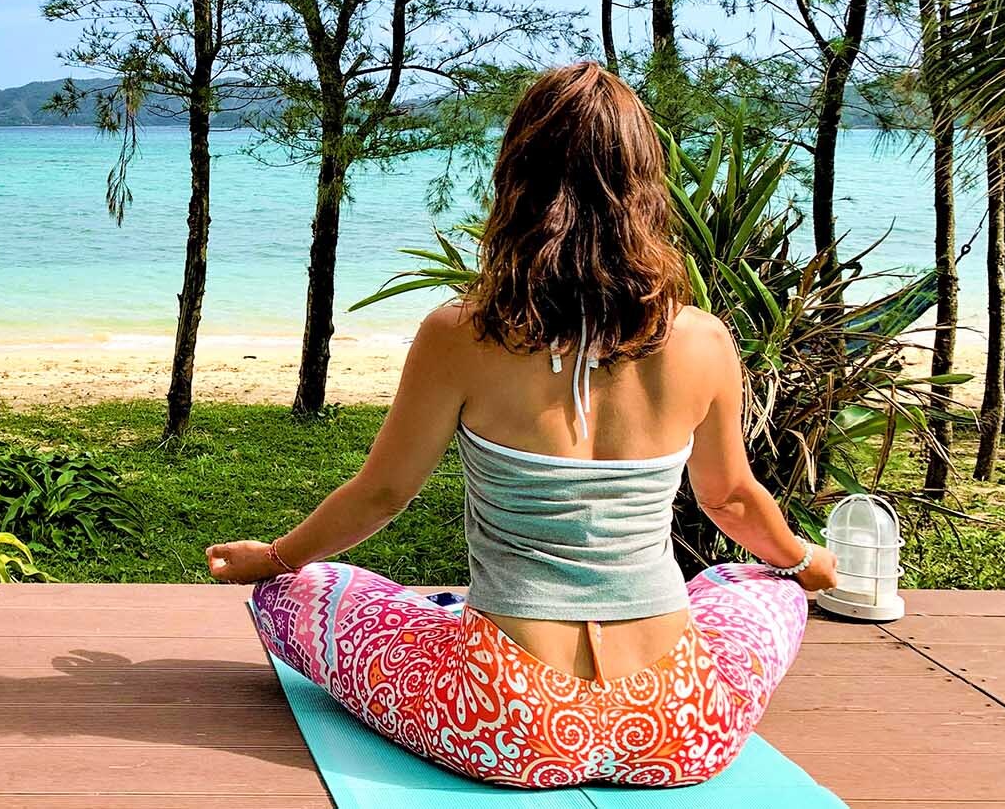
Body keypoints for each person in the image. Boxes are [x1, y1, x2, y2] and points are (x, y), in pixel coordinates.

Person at [206, 62, 839, 790]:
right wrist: (800, 563)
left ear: (517, 181)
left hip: (507, 719)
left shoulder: (459, 334)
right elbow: (730, 499)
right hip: (678, 723)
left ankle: (431, 615)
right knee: (761, 582)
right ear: (644, 189)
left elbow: (381, 494)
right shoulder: (703, 341)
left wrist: (277, 557)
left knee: (297, 591)